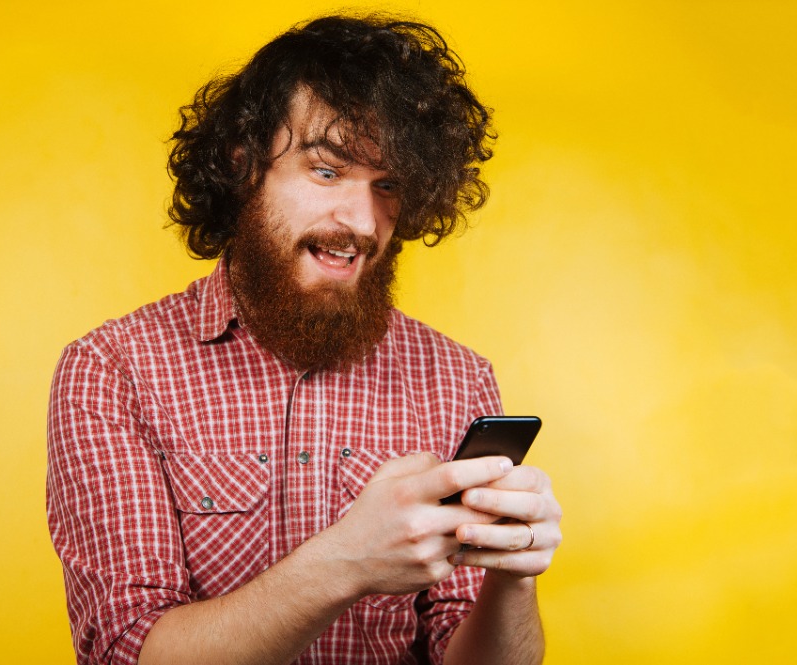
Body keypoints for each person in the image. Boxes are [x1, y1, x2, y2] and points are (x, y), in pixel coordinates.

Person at [47, 14, 562, 665]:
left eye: (388, 186)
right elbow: (127, 651)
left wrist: (512, 576)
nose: (361, 221)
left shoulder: (457, 379)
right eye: (327, 171)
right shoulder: (115, 369)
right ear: (243, 163)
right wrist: (349, 557)